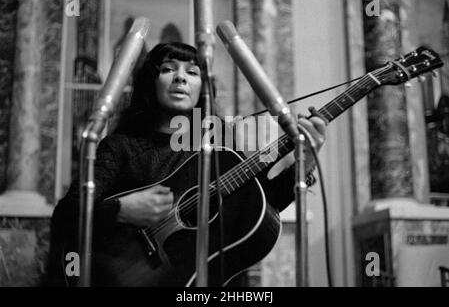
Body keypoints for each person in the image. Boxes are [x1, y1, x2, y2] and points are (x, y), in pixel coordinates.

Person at [45, 42, 327, 286]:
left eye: (192, 72)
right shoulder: (121, 147)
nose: (181, 77)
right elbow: (65, 216)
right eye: (168, 69)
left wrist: (307, 161)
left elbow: (266, 203)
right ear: (150, 82)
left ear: (203, 89)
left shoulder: (221, 150)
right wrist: (121, 210)